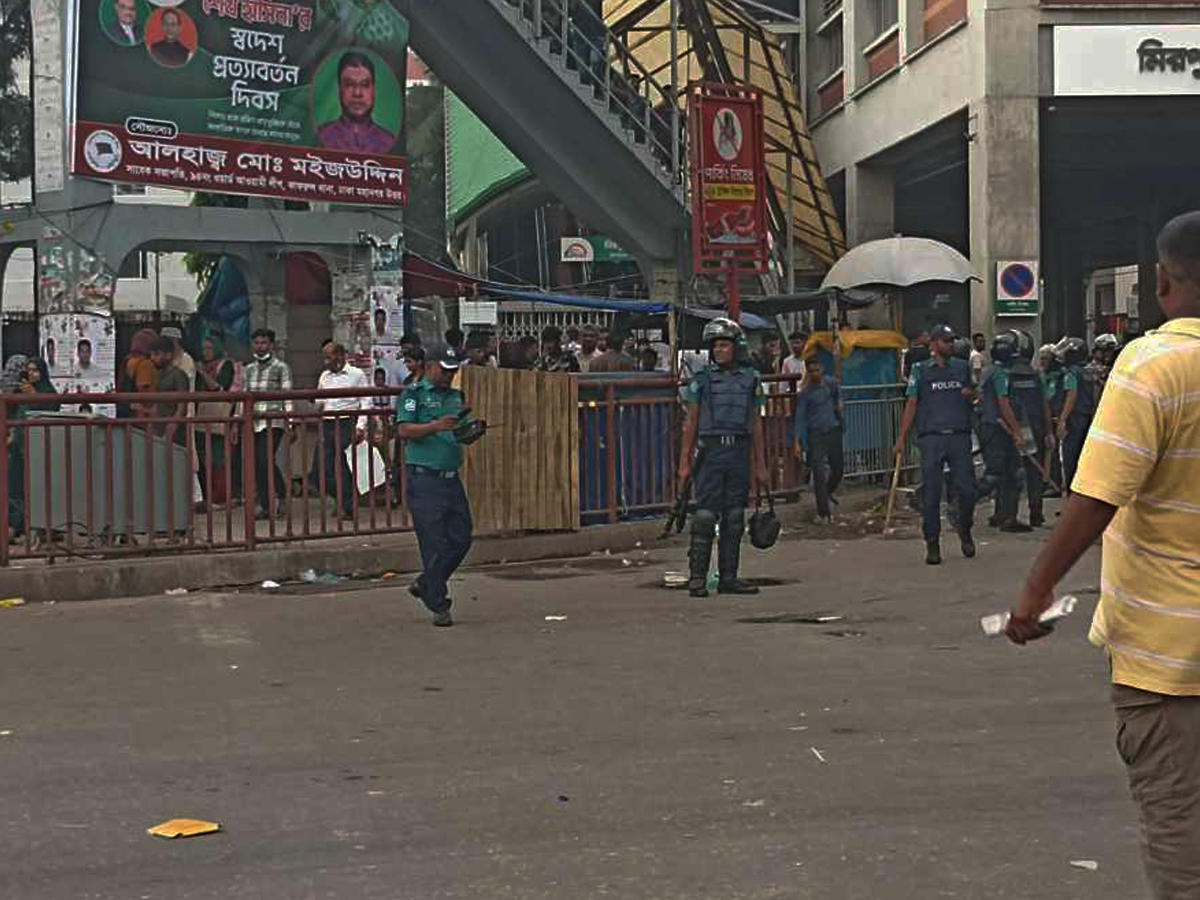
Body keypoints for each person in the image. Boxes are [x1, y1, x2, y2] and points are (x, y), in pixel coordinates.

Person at [1005, 210, 1200, 900]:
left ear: (1160, 282)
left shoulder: (1152, 365)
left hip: (1172, 664)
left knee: (1183, 849)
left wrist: (1035, 590)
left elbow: (1096, 497)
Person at [676, 317, 768, 597]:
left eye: (724, 345)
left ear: (736, 348)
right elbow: (690, 422)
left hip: (738, 452)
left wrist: (760, 465)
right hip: (710, 452)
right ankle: (697, 579)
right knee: (705, 516)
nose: (719, 350)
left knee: (735, 516)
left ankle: (729, 577)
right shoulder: (701, 380)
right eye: (716, 345)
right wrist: (684, 463)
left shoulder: (752, 380)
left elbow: (756, 424)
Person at [397, 343, 480, 628]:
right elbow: (404, 430)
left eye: (453, 371)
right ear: (429, 366)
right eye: (444, 371)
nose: (448, 376)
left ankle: (426, 583)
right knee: (433, 543)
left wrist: (473, 431)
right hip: (425, 479)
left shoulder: (457, 396)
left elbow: (461, 433)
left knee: (461, 538)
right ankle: (439, 603)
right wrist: (435, 426)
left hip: (451, 478)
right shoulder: (413, 395)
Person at [893, 324, 977, 565]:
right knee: (931, 495)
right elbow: (911, 404)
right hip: (931, 438)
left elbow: (974, 394)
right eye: (946, 341)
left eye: (952, 341)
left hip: (959, 436)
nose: (951, 345)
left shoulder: (961, 368)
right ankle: (932, 542)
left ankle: (964, 528)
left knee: (968, 490)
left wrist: (969, 395)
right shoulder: (920, 371)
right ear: (934, 344)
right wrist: (901, 438)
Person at [977, 330, 1030, 533]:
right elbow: (1004, 403)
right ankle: (962, 504)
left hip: (993, 426)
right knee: (1001, 474)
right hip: (999, 428)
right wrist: (1018, 432)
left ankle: (1004, 516)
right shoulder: (999, 375)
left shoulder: (990, 371)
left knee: (1006, 473)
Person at [315, 342, 369, 520]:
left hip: (347, 422)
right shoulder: (324, 375)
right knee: (320, 469)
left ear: (339, 356)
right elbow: (319, 401)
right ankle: (343, 500)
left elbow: (366, 401)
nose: (325, 362)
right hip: (327, 423)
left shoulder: (356, 374)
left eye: (328, 357)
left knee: (343, 467)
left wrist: (360, 427)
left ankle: (348, 507)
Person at [1006, 333, 1055, 528]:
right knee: (1035, 472)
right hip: (1036, 429)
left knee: (1013, 472)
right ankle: (1036, 512)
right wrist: (1049, 431)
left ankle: (1009, 514)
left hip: (1013, 430)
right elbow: (1045, 405)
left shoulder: (1006, 375)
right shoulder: (1036, 376)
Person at [245, 328, 293, 520]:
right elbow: (244, 397)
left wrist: (292, 422)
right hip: (253, 422)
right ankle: (266, 504)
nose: (260, 346)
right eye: (257, 343)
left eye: (264, 343)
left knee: (264, 459)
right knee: (257, 463)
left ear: (271, 345)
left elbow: (287, 396)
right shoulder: (248, 369)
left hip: (274, 421)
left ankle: (280, 495)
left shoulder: (281, 367)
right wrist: (237, 423)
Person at [793, 357, 843, 524]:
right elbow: (799, 418)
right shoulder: (805, 392)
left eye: (817, 370)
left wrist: (840, 418)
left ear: (822, 368)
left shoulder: (831, 384)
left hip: (833, 431)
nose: (815, 373)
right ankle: (823, 512)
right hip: (816, 435)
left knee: (838, 469)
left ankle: (827, 493)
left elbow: (838, 401)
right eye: (811, 371)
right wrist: (797, 441)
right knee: (819, 474)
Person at [316, 52, 397, 154]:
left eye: (365, 85)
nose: (357, 93)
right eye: (349, 84)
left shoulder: (388, 141)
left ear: (373, 90)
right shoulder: (321, 135)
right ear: (340, 89)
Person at [194, 335, 238, 507]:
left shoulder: (225, 365)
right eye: (204, 349)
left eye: (210, 348)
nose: (206, 353)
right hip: (202, 416)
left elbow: (219, 388)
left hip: (219, 416)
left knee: (218, 458)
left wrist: (203, 373)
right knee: (204, 458)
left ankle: (221, 497)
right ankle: (207, 496)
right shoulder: (201, 367)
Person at [1055, 336, 1094, 497]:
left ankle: (1072, 499)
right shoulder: (1087, 373)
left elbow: (1072, 394)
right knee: (1083, 460)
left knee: (1070, 459)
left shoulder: (1071, 373)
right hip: (1086, 417)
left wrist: (1063, 419)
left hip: (1074, 419)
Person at [149, 336, 190, 445]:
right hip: (159, 425)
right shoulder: (159, 375)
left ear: (168, 355)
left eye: (156, 354)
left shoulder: (179, 375)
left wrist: (174, 423)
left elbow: (182, 404)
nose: (152, 358)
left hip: (174, 430)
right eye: (152, 354)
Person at [118, 328, 158, 419]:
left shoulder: (127, 359)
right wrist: (149, 409)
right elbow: (143, 390)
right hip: (141, 414)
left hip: (127, 409)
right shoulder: (145, 364)